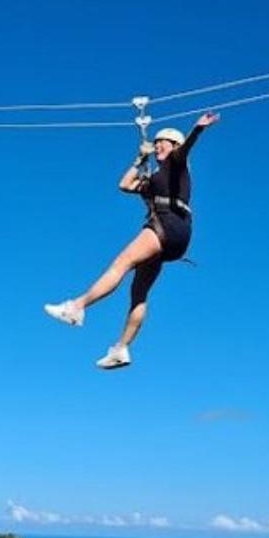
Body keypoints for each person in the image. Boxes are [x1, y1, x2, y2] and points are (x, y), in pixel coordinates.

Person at [44, 111, 220, 369]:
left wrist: (197, 129)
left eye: (163, 142)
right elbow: (124, 185)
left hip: (166, 225)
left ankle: (77, 307)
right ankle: (122, 348)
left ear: (175, 147)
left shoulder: (176, 163)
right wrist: (140, 158)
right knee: (138, 293)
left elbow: (186, 149)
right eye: (156, 141)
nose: (158, 145)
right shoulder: (155, 179)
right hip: (176, 236)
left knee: (121, 264)